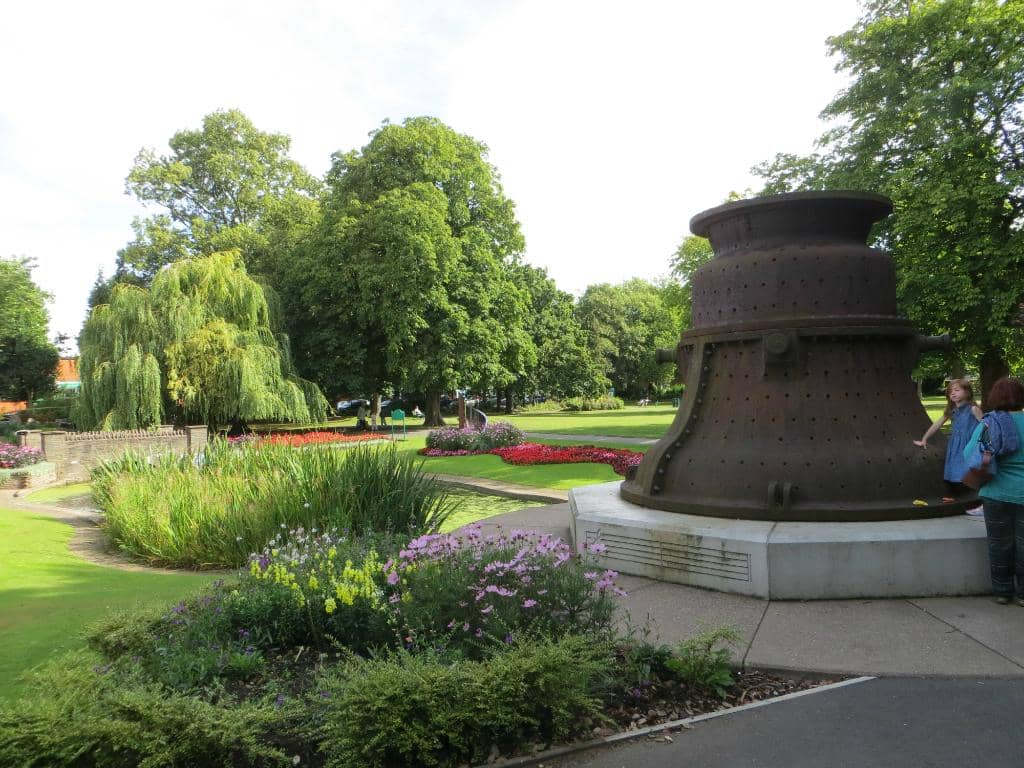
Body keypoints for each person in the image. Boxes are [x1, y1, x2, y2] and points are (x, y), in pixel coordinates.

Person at [965, 376, 1024, 606]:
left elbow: (969, 454)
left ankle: (1002, 591)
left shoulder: (989, 423)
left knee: (999, 543)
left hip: (995, 493)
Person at [914, 377, 983, 505]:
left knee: (968, 470)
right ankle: (958, 496)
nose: (953, 393)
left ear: (967, 392)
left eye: (957, 390)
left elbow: (984, 424)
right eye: (950, 391)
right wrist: (924, 439)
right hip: (955, 445)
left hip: (968, 445)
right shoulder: (952, 411)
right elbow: (937, 424)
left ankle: (975, 497)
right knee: (954, 470)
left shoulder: (973, 409)